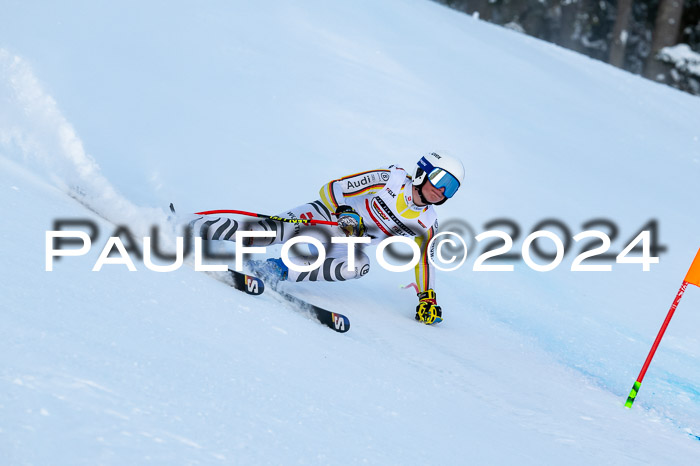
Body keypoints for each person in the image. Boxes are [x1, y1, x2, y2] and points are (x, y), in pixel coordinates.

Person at [192, 151, 465, 325]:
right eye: (440, 180)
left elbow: (424, 261)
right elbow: (332, 188)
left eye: (450, 187)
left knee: (358, 266)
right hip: (324, 216)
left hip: (347, 244)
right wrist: (344, 212)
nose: (441, 190)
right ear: (423, 172)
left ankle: (274, 270)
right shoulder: (390, 180)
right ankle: (196, 227)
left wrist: (426, 298)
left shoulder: (426, 223)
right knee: (263, 235)